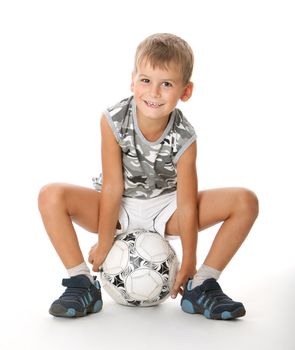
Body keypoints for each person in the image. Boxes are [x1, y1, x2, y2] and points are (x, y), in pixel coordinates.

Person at [38, 33, 259, 320]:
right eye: (146, 81)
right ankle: (82, 283)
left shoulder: (185, 137)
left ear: (185, 91)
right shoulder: (113, 120)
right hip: (119, 208)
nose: (154, 93)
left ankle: (202, 285)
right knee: (50, 195)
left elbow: (188, 201)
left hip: (167, 209)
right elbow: (113, 186)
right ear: (133, 81)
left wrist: (190, 260)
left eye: (166, 84)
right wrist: (105, 242)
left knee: (245, 201)